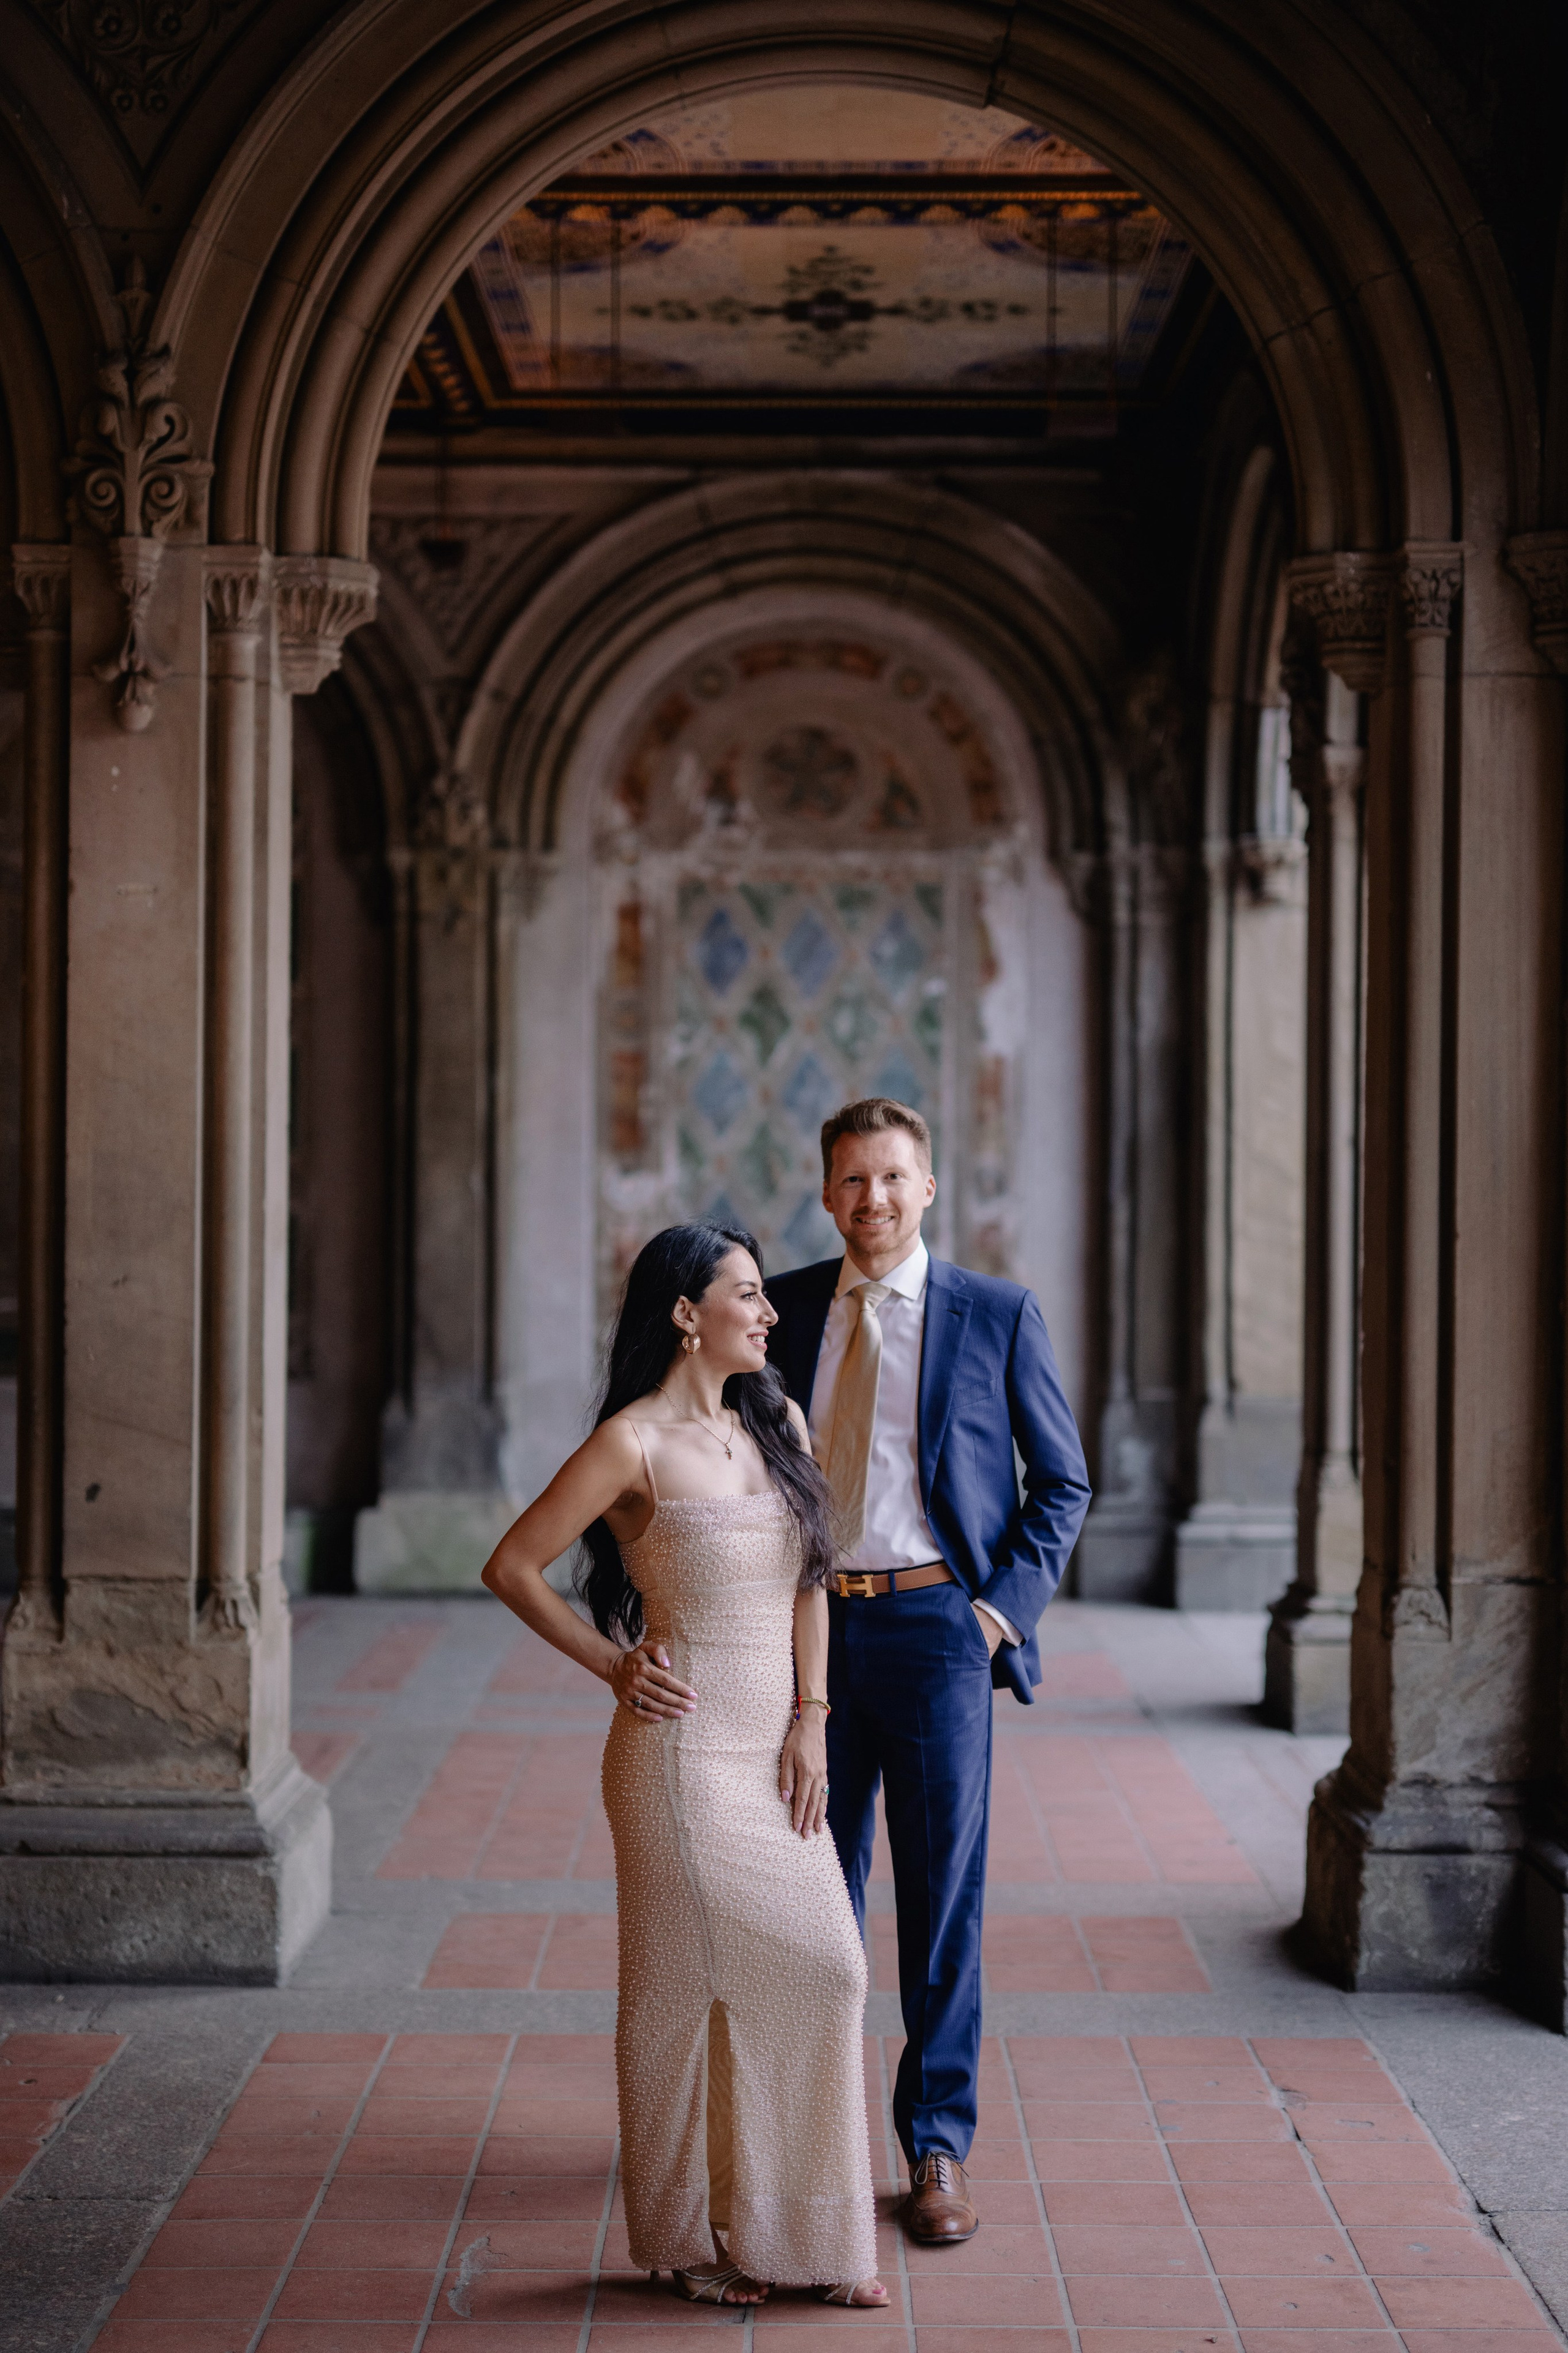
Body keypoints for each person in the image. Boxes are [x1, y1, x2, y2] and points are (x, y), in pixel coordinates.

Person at [480, 1223, 886, 2311]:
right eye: (746, 1295)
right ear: (683, 1312)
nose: (766, 1313)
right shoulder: (631, 1444)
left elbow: (811, 1575)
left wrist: (814, 1714)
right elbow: (512, 1566)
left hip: (775, 1747)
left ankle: (807, 2233)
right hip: (678, 1760)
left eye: (763, 1296)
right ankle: (694, 2237)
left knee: (819, 1973)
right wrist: (614, 1665)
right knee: (691, 1994)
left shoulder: (778, 1420)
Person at [766, 1098, 1091, 2245]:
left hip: (938, 1634)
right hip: (812, 1642)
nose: (874, 1200)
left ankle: (936, 2144)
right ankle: (816, 2140)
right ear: (826, 1193)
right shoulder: (787, 1308)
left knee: (941, 1904)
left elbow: (1064, 1483)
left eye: (894, 1177)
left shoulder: (996, 1314)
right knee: (816, 1895)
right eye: (853, 1180)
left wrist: (995, 1616)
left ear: (930, 1185)